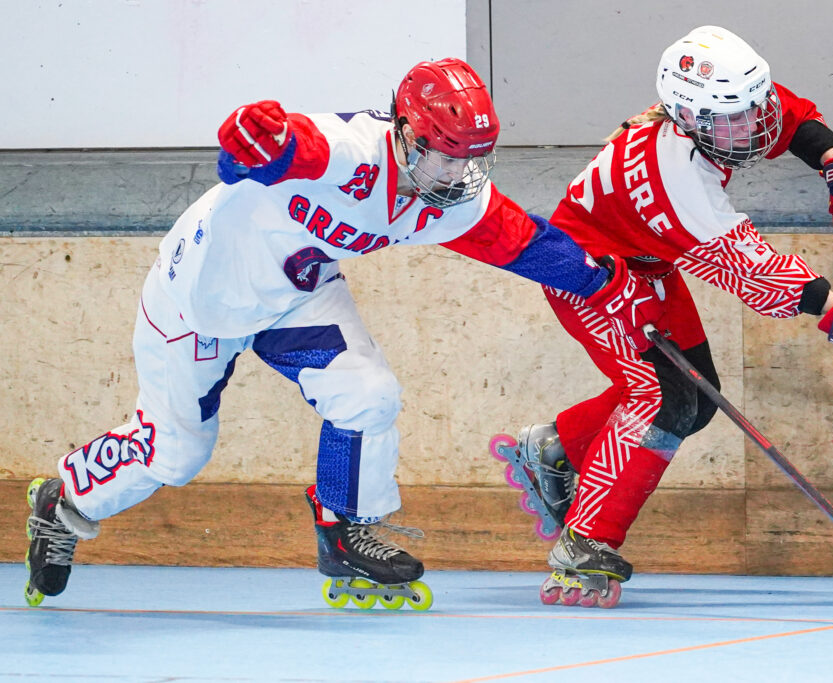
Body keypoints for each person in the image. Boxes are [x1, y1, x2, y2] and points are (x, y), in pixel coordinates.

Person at [22, 57, 663, 609]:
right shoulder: (347, 151)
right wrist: (251, 138)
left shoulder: (451, 195)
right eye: (444, 154)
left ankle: (346, 529)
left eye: (470, 160)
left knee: (370, 395)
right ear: (408, 131)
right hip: (199, 299)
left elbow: (522, 243)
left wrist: (609, 285)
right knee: (177, 454)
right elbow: (275, 148)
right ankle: (64, 499)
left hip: (298, 298)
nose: (456, 176)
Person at [499, 26, 833, 608]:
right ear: (688, 118)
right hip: (588, 275)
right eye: (734, 118)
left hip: (645, 259)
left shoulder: (724, 110)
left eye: (753, 105)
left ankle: (554, 447)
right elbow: (750, 271)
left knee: (698, 402)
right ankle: (585, 543)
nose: (753, 124)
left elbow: (786, 116)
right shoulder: (674, 179)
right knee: (663, 399)